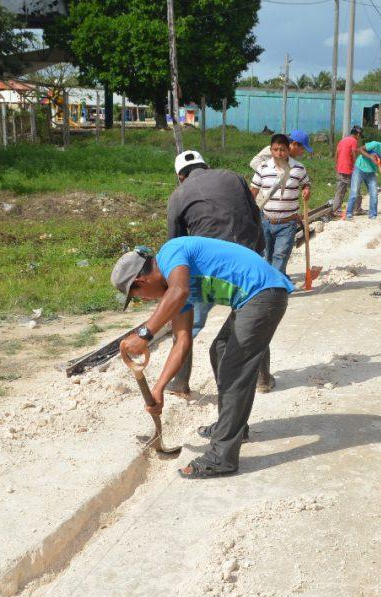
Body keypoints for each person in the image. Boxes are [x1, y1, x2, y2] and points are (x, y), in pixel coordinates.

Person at [113, 237, 294, 479]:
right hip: (254, 297)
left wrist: (145, 333)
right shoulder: (176, 290)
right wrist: (158, 388)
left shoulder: (170, 253)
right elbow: (183, 341)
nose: (144, 300)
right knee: (219, 349)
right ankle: (230, 427)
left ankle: (222, 458)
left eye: (138, 296)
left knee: (234, 371)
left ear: (140, 282)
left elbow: (179, 290)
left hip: (263, 294)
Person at [165, 150, 264, 397]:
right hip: (246, 261)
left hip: (209, 270)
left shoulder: (178, 195)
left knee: (187, 323)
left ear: (180, 176)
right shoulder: (234, 177)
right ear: (206, 166)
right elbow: (255, 215)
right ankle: (263, 378)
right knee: (251, 322)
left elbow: (176, 245)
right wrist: (258, 253)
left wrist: (176, 288)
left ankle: (180, 382)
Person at [249, 133, 312, 277]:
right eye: (275, 150)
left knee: (281, 256)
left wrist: (307, 190)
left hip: (288, 223)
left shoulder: (298, 168)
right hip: (265, 221)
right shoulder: (263, 168)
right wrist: (246, 209)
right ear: (270, 150)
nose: (279, 153)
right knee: (267, 257)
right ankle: (272, 285)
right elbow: (253, 191)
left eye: (282, 150)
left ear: (288, 150)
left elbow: (306, 183)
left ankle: (275, 288)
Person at [345, 140, 381, 220]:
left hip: (371, 173)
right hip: (360, 169)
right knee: (354, 192)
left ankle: (373, 215)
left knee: (374, 194)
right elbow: (360, 149)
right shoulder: (375, 144)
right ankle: (349, 213)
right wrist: (370, 156)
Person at [332, 126, 367, 216]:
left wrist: (337, 165)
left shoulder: (342, 140)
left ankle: (336, 210)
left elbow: (336, 154)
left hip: (340, 169)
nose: (359, 138)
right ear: (358, 134)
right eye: (360, 135)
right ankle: (357, 209)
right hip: (349, 169)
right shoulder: (354, 141)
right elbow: (354, 154)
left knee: (340, 190)